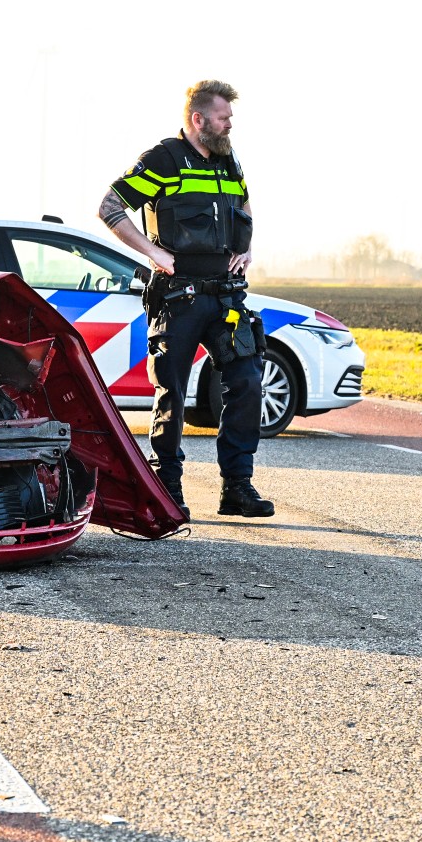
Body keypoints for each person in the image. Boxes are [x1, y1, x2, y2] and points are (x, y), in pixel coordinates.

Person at [98, 79, 273, 519]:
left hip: (225, 295)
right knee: (171, 392)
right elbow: (109, 208)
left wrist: (246, 247)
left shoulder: (228, 160)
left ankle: (237, 487)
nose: (230, 123)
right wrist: (154, 252)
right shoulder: (163, 159)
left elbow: (245, 206)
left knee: (247, 380)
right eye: (223, 115)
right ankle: (168, 487)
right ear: (198, 119)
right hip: (177, 296)